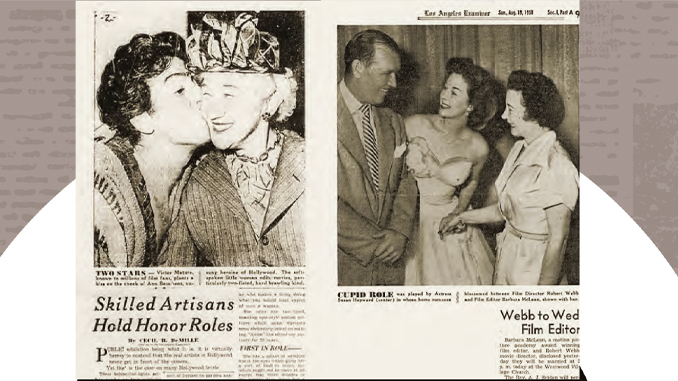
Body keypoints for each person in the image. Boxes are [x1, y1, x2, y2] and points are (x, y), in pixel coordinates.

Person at [156, 12, 304, 267]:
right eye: (207, 94)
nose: (213, 112)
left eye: (229, 93)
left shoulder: (311, 160)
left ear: (270, 97)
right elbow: (174, 272)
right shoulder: (197, 179)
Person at [439, 70, 579, 285]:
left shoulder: (557, 165)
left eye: (511, 110)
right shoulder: (520, 149)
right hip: (509, 255)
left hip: (535, 268)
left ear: (533, 113)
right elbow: (505, 211)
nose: (504, 116)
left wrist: (542, 299)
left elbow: (558, 241)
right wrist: (462, 217)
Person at [94, 32, 210, 267]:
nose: (201, 96)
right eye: (180, 90)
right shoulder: (98, 191)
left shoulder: (195, 176)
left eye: (196, 83)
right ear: (142, 119)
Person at [402, 58, 495, 285]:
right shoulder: (413, 125)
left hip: (450, 220)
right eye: (445, 87)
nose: (444, 96)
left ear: (471, 105)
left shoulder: (478, 146)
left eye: (454, 92)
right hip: (413, 219)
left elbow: (471, 184)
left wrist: (459, 211)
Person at [337, 29, 418, 286]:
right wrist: (379, 242)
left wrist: (400, 232)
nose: (393, 83)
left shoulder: (393, 121)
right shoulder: (315, 115)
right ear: (358, 67)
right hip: (342, 267)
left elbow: (406, 180)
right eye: (386, 73)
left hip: (389, 270)